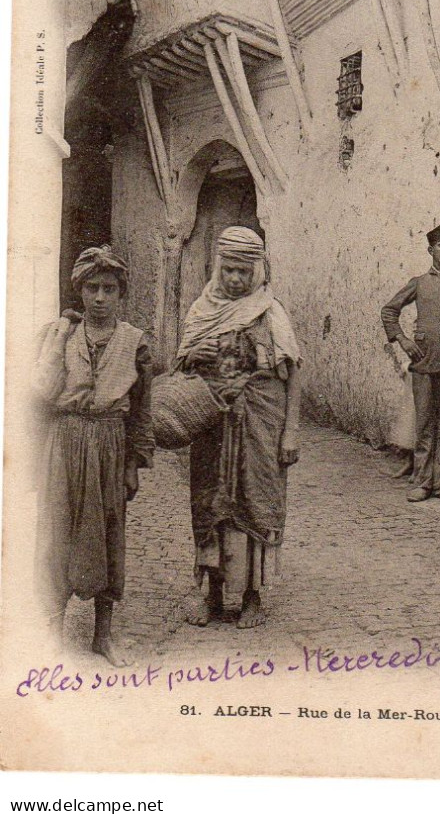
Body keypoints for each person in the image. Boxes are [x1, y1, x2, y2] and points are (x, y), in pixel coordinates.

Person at [32, 246, 154, 665]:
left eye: (109, 289)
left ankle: (103, 636)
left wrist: (134, 463)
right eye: (91, 288)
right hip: (65, 442)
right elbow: (40, 395)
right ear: (79, 291)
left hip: (109, 443)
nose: (100, 297)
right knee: (56, 532)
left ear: (121, 294)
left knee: (109, 534)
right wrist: (59, 336)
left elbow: (141, 410)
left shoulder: (135, 343)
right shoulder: (60, 335)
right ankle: (53, 633)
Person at [175, 226, 301, 628]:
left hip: (260, 425)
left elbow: (293, 372)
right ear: (218, 269)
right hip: (213, 426)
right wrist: (196, 352)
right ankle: (209, 593)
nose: (234, 279)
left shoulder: (270, 311)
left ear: (257, 273)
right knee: (212, 503)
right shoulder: (201, 309)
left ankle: (251, 596)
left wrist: (291, 432)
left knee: (254, 502)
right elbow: (180, 366)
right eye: (228, 270)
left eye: (243, 272)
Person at [381, 223, 440, 503]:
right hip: (424, 363)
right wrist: (403, 340)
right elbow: (389, 310)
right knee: (424, 424)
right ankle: (423, 482)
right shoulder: (419, 283)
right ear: (430, 250)